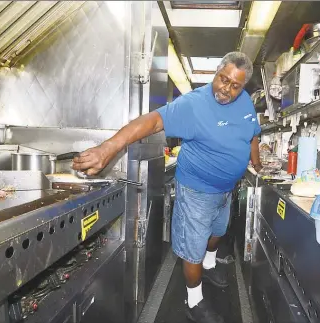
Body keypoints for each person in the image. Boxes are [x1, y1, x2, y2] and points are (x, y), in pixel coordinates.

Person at [72, 51, 262, 323]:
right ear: (216, 72)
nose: (227, 89)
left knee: (218, 231)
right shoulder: (194, 105)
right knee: (193, 249)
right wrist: (108, 147)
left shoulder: (245, 102)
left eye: (235, 85)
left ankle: (209, 265)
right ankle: (194, 301)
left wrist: (256, 162)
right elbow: (153, 121)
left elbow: (252, 134)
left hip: (225, 190)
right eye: (223, 79)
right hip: (197, 190)